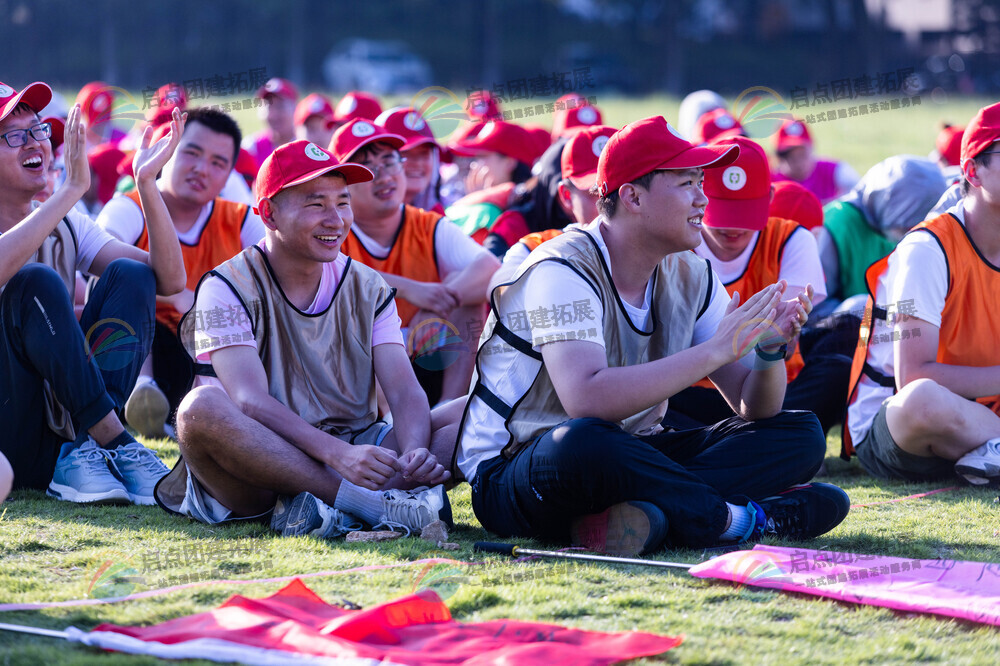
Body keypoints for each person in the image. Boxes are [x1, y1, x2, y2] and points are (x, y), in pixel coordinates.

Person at [455, 116, 849, 557]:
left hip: (629, 453)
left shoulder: (690, 271)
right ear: (633, 197)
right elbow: (587, 401)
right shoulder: (561, 268)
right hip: (519, 467)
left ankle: (644, 514)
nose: (703, 199)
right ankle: (737, 520)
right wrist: (715, 349)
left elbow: (754, 406)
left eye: (701, 182)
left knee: (801, 433)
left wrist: (770, 351)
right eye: (687, 184)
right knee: (582, 442)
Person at [157, 140, 452, 536]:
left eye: (343, 202)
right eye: (315, 204)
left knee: (472, 411)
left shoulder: (368, 285)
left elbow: (403, 391)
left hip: (357, 448)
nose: (335, 220)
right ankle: (365, 504)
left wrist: (415, 451)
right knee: (199, 408)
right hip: (261, 466)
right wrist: (338, 455)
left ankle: (339, 507)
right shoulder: (226, 285)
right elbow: (249, 401)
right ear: (269, 214)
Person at [0, 81, 187, 505]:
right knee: (37, 283)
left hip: (67, 440)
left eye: (37, 130)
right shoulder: (61, 207)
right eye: (14, 135)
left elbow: (168, 281)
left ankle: (87, 445)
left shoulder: (67, 224)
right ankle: (114, 440)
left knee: (130, 276)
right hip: (8, 437)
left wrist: (147, 183)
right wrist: (68, 192)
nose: (35, 144)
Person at [843, 102, 1000, 485]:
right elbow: (912, 376)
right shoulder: (926, 250)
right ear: (972, 172)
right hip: (902, 425)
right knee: (921, 401)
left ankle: (987, 451)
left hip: (984, 408)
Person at [98, 107, 266, 437]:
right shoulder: (129, 206)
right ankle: (139, 392)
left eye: (218, 163)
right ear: (168, 151)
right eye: (191, 152)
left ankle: (183, 411)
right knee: (129, 287)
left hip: (204, 345)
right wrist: (176, 293)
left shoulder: (241, 220)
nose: (202, 169)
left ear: (229, 175)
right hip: (135, 344)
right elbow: (101, 261)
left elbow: (276, 276)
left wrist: (204, 305)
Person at [664, 136, 849, 434]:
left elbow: (781, 344)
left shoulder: (790, 239)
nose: (734, 227)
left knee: (839, 365)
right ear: (696, 196)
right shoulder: (675, 243)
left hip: (771, 388)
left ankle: (736, 442)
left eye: (745, 211)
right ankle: (758, 444)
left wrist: (776, 340)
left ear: (770, 197)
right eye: (724, 211)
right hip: (690, 389)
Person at [329, 119, 500, 404]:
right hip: (357, 369)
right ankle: (387, 426)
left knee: (469, 301)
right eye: (368, 168)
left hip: (422, 349)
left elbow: (490, 269)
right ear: (342, 184)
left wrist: (438, 303)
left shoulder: (426, 226)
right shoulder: (332, 229)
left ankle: (452, 408)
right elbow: (334, 279)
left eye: (390, 162)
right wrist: (410, 289)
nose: (383, 176)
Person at [816, 156, 948, 309]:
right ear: (888, 202)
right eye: (908, 225)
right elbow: (814, 308)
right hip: (845, 326)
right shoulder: (838, 223)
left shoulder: (901, 228)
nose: (913, 231)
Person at [772, 119, 859, 204]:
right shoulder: (771, 182)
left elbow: (858, 194)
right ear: (779, 156)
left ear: (811, 148)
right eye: (790, 155)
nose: (798, 161)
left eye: (802, 154)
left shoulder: (834, 170)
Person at [375, 107, 444, 214]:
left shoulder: (436, 216)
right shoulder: (358, 218)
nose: (417, 162)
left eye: (424, 153)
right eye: (405, 153)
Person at [243, 77, 298, 170]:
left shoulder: (305, 147)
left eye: (280, 106)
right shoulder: (251, 147)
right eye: (268, 107)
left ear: (294, 108)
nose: (274, 115)